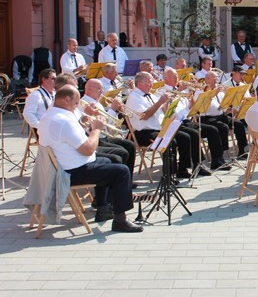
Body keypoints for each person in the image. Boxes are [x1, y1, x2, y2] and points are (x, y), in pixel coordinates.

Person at [38, 84, 142, 232]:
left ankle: (103, 207)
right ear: (66, 100)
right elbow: (87, 149)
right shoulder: (64, 121)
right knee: (122, 171)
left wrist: (83, 123)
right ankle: (120, 220)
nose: (76, 107)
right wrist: (97, 129)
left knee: (111, 160)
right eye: (75, 104)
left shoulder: (49, 115)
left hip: (61, 168)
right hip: (71, 172)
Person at [126, 72, 197, 179]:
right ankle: (168, 175)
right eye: (149, 82)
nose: (151, 85)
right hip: (144, 132)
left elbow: (163, 111)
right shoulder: (134, 97)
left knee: (185, 137)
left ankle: (182, 169)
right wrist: (160, 102)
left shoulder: (151, 95)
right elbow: (145, 116)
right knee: (169, 142)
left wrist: (168, 103)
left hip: (159, 129)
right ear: (139, 83)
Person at [82, 78, 137, 180]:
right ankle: (120, 181)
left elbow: (109, 125)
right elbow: (103, 125)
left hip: (104, 136)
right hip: (96, 139)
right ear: (89, 89)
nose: (102, 92)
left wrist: (115, 111)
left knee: (130, 145)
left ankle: (128, 180)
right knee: (122, 152)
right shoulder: (85, 104)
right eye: (99, 89)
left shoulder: (97, 102)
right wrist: (112, 109)